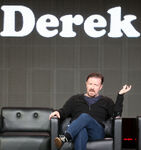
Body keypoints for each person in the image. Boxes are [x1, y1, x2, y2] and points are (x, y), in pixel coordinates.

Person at [49, 72, 131, 150]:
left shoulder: (106, 101)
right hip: (78, 130)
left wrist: (120, 95)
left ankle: (65, 137)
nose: (92, 87)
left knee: (85, 117)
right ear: (86, 84)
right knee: (81, 131)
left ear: (100, 87)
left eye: (95, 85)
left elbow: (116, 114)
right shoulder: (75, 99)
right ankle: (67, 136)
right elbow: (64, 111)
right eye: (90, 84)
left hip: (96, 132)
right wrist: (58, 112)